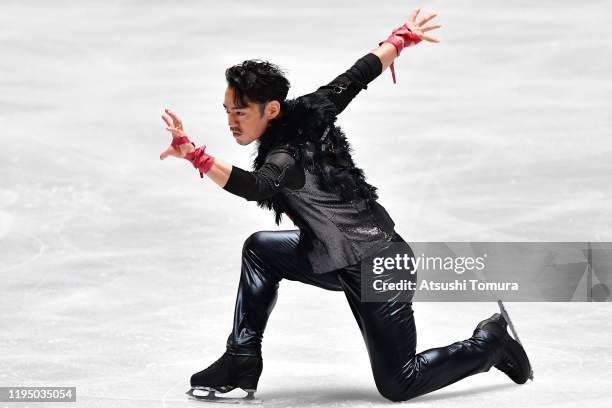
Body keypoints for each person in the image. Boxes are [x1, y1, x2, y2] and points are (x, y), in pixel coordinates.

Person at [159, 7, 532, 402]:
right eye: (227, 111)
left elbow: (257, 187)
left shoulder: (285, 156)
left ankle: (489, 342)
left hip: (380, 269)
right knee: (260, 250)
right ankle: (241, 358)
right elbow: (354, 77)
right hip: (331, 258)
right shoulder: (311, 111)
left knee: (398, 383)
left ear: (271, 109)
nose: (232, 121)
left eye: (241, 112)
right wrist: (400, 39)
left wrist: (196, 157)